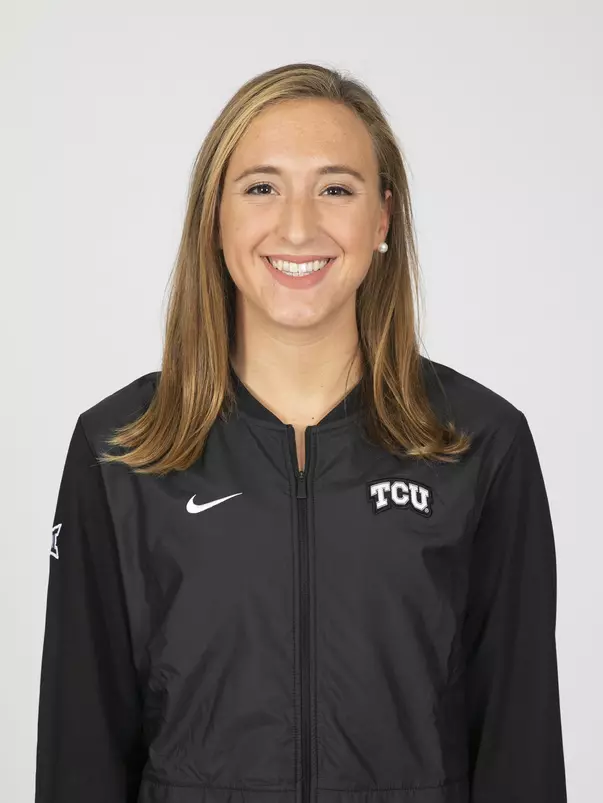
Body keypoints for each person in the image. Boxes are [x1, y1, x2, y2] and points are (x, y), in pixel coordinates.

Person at [35, 62, 567, 803]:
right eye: (261, 187)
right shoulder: (120, 450)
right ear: (213, 217)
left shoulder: (479, 444)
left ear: (381, 219)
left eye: (335, 188)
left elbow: (522, 746)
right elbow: (78, 753)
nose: (297, 225)